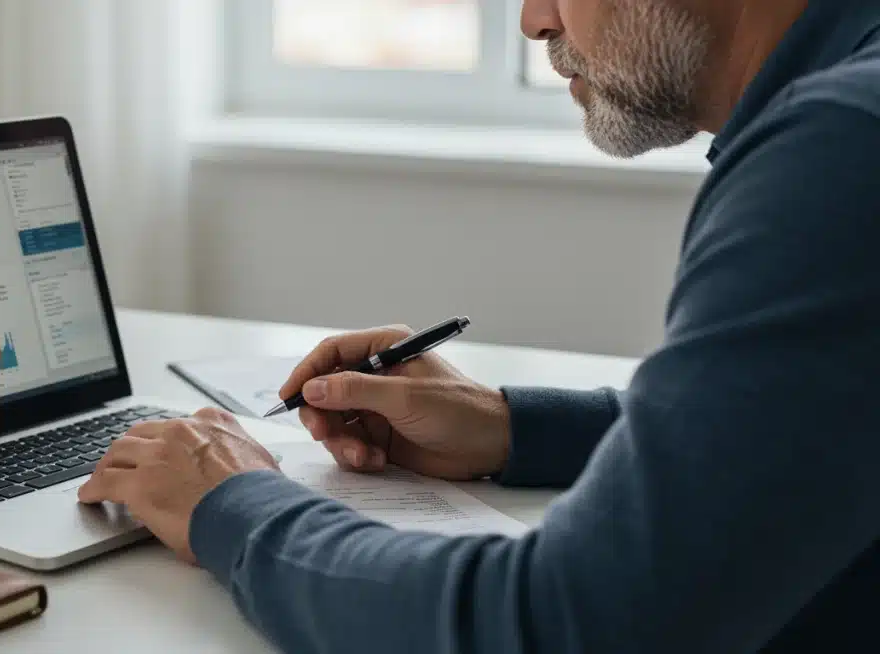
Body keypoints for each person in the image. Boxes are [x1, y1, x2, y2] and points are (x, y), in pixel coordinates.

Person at [79, 0, 880, 651]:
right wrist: (512, 428)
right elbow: (803, 440)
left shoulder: (838, 151)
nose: (534, 21)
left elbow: (562, 627)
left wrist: (234, 505)